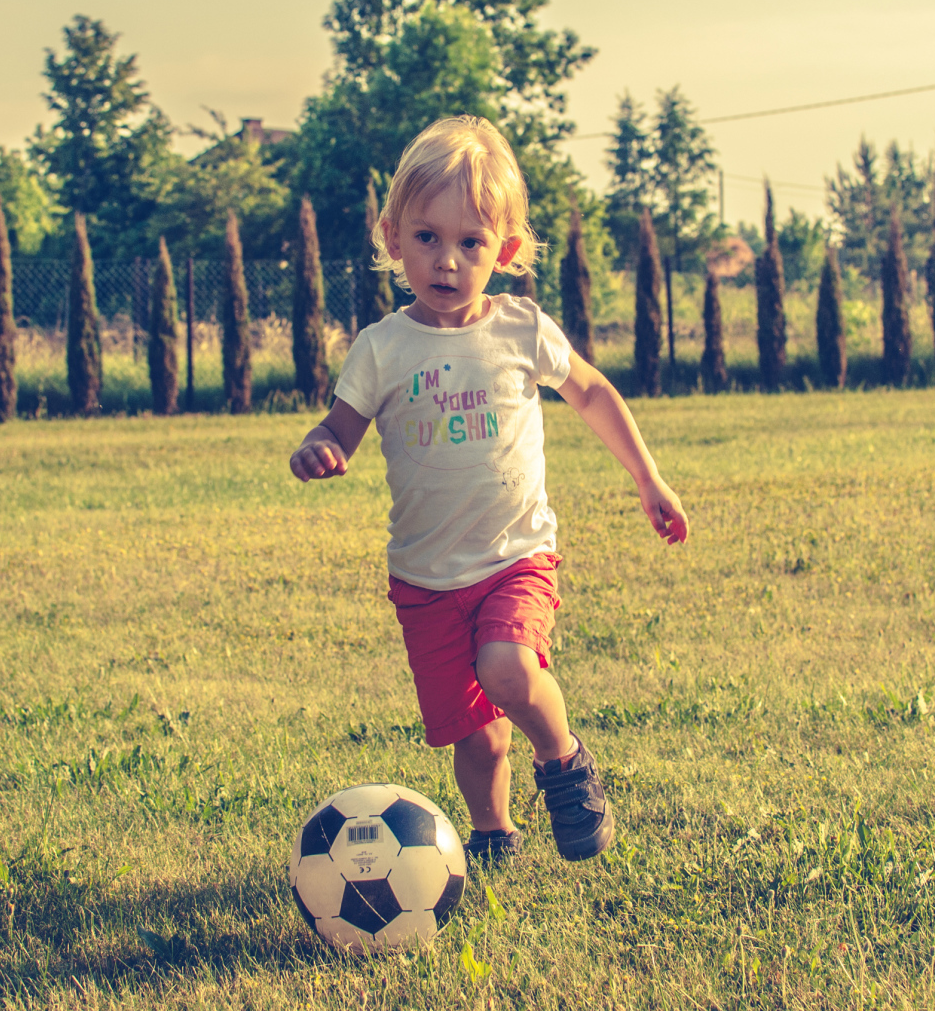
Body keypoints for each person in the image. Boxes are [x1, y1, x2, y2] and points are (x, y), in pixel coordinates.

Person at [288, 116, 688, 866]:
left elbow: (592, 392)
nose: (447, 261)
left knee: (508, 669)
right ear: (392, 237)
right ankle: (494, 834)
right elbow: (340, 427)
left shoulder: (520, 329)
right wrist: (320, 448)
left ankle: (564, 762)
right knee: (474, 733)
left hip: (514, 556)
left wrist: (647, 476)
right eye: (426, 237)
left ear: (503, 250)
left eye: (470, 242)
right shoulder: (380, 349)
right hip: (424, 577)